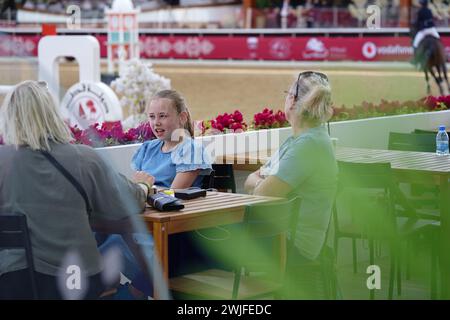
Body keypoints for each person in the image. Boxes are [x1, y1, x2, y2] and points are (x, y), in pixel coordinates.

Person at [0, 80, 155, 300]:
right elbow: (128, 202)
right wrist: (143, 184)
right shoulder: (83, 158)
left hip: (12, 280)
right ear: (52, 113)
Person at [98, 89, 212, 299]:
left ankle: (129, 292)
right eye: (152, 117)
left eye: (163, 116)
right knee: (97, 235)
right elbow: (135, 188)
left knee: (111, 247)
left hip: (171, 232)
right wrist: (140, 189)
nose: (156, 123)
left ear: (182, 117)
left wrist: (142, 188)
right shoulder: (148, 148)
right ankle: (116, 290)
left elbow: (173, 196)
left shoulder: (190, 149)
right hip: (144, 222)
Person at [244, 71, 338, 298]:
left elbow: (261, 192)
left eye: (288, 94)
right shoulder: (299, 140)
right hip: (280, 237)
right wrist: (260, 183)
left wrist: (260, 182)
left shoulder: (307, 145)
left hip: (290, 244)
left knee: (198, 244)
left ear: (294, 101)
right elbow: (251, 182)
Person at [412, 0, 440, 65]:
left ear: (422, 4)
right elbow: (432, 20)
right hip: (432, 29)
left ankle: (416, 59)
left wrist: (417, 26)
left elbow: (418, 22)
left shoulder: (420, 11)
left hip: (424, 31)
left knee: (415, 44)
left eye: (420, 4)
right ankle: (445, 55)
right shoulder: (429, 11)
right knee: (439, 41)